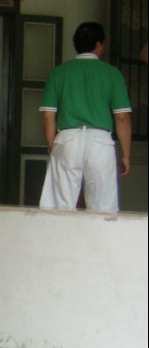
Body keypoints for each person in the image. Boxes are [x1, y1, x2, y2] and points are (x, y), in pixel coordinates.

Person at [38, 22, 131, 213]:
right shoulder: (113, 74)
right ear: (98, 45)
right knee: (103, 209)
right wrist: (126, 155)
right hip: (100, 141)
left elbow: (48, 117)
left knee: (59, 208)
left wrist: (53, 147)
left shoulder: (59, 73)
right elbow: (122, 118)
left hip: (67, 138)